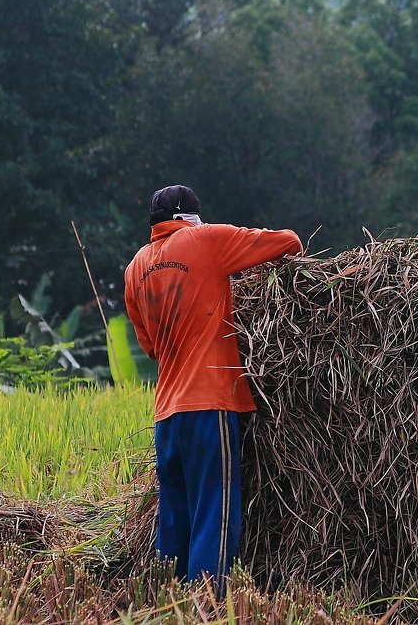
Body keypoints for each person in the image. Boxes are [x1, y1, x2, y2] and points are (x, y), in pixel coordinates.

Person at [123, 185, 301, 593]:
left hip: (167, 414)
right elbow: (288, 243)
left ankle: (167, 603)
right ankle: (209, 605)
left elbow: (150, 347)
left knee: (175, 518)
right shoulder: (204, 240)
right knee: (214, 515)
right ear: (189, 217)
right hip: (209, 403)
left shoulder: (135, 268)